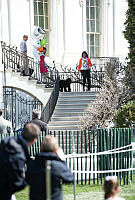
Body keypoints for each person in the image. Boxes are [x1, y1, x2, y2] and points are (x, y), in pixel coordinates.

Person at [0, 123, 40, 200]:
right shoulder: (18, 156)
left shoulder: (7, 141)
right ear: (35, 140)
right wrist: (29, 180)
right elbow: (16, 184)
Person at [26, 135, 74, 200]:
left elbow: (27, 180)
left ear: (41, 148)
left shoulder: (33, 164)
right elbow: (69, 178)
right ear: (55, 149)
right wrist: (62, 160)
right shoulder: (58, 165)